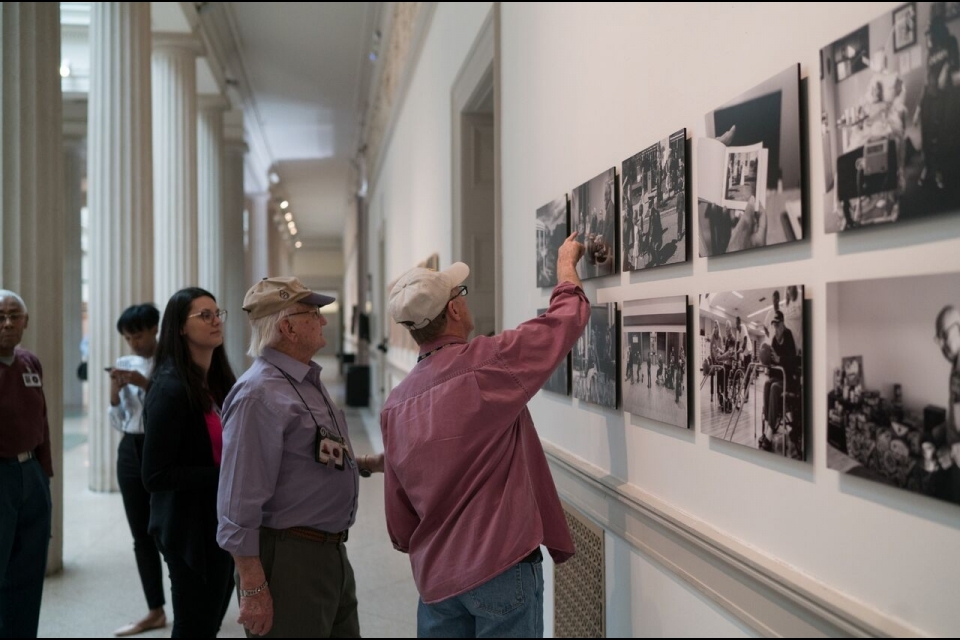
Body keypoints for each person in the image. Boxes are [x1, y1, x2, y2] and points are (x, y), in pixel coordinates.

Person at [381, 232, 588, 638]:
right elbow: (562, 323)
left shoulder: (395, 405)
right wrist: (566, 267)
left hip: (437, 579)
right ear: (455, 309)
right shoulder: (484, 365)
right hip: (500, 564)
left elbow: (400, 522)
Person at [217, 276, 383, 638]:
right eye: (314, 313)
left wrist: (367, 463)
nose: (323, 320)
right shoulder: (257, 395)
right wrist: (254, 586)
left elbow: (312, 453)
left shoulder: (304, 380)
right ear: (287, 327)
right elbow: (237, 503)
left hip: (329, 553)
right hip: (291, 558)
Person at [142, 288, 237, 637]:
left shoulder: (217, 381)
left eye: (217, 313)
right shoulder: (171, 388)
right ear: (180, 328)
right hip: (189, 530)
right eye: (204, 315)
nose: (216, 322)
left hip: (220, 522)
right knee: (193, 628)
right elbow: (155, 474)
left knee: (207, 625)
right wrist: (226, 475)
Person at [109, 304, 167, 637]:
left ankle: (190, 604)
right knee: (140, 534)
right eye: (128, 337)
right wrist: (115, 393)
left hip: (162, 449)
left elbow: (174, 404)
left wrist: (144, 383)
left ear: (155, 329)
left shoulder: (172, 361)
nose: (133, 343)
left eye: (139, 335)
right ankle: (154, 609)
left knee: (169, 530)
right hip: (130, 449)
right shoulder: (124, 363)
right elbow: (117, 416)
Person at [0, 290, 52, 638]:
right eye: (1, 316)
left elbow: (42, 422)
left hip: (31, 473)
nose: (7, 323)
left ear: (26, 322)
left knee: (29, 569)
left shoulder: (30, 362)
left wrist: (44, 477)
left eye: (14, 315)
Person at [760, 311, 800, 455]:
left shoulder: (789, 337)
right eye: (774, 327)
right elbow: (774, 369)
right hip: (779, 378)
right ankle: (766, 426)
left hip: (790, 380)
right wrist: (769, 363)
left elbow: (794, 363)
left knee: (775, 387)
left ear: (783, 325)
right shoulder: (775, 341)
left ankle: (770, 433)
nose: (775, 330)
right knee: (767, 384)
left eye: (777, 327)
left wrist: (779, 360)